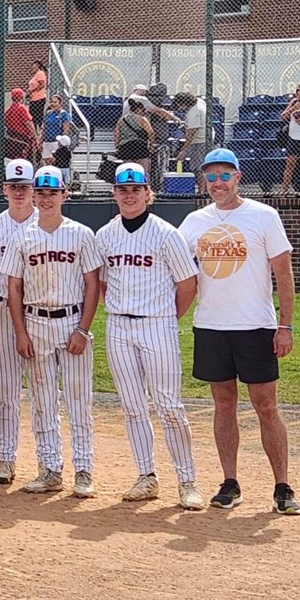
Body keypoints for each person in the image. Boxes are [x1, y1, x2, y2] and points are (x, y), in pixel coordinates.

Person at [178, 148, 300, 515]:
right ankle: (230, 482)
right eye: (211, 176)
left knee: (266, 405)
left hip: (255, 325)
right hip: (211, 325)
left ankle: (282, 486)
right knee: (223, 404)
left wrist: (285, 325)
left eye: (224, 175)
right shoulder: (194, 221)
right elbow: (172, 261)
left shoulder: (263, 216)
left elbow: (284, 274)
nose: (218, 183)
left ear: (237, 177)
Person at [96, 163, 205, 510]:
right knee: (132, 405)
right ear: (114, 194)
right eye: (123, 190)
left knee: (169, 405)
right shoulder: (105, 235)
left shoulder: (166, 234)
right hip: (118, 326)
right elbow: (101, 283)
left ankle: (187, 480)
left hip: (157, 324)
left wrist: (168, 317)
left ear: (147, 193)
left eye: (136, 189)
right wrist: (116, 308)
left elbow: (187, 284)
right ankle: (146, 476)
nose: (129, 196)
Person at [1, 165, 103, 498]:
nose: (46, 199)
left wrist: (83, 330)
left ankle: (83, 470)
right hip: (36, 322)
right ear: (34, 195)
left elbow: (92, 285)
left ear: (64, 195)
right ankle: (50, 468)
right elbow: (13, 288)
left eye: (52, 193)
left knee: (78, 400)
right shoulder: (21, 236)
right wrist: (20, 333)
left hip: (71, 320)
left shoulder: (81, 234)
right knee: (43, 401)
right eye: (41, 193)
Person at [0, 159, 37, 485]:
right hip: (6, 309)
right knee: (7, 389)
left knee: (44, 389)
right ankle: (6, 459)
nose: (19, 192)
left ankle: (49, 462)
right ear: (4, 189)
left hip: (40, 310)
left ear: (33, 189)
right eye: (13, 186)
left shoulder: (46, 222)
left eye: (24, 186)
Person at [174, 92, 209, 189]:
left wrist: (183, 151)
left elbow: (192, 133)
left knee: (199, 167)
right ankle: (204, 190)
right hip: (205, 137)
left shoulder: (194, 112)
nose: (180, 107)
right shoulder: (199, 101)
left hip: (200, 140)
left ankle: (202, 191)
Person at [115, 96, 154, 174]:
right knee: (143, 170)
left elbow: (117, 134)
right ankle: (144, 181)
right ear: (138, 109)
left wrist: (117, 146)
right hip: (139, 146)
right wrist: (150, 146)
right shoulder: (142, 119)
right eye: (143, 110)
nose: (144, 112)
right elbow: (151, 132)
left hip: (125, 147)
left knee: (127, 169)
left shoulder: (121, 120)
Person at [4, 88, 37, 162]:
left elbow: (5, 124)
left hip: (12, 139)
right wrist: (35, 136)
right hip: (23, 139)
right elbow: (28, 123)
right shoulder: (22, 108)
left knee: (13, 160)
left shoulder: (8, 110)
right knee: (25, 160)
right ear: (21, 97)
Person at [41, 95, 72, 165]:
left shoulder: (63, 114)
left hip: (56, 142)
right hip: (47, 141)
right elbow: (44, 127)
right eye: (51, 102)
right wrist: (41, 140)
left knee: (55, 161)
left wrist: (61, 143)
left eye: (55, 102)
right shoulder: (48, 113)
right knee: (46, 160)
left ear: (60, 103)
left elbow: (66, 130)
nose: (53, 104)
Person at [27, 61, 49, 132]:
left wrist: (32, 90)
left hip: (39, 99)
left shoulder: (40, 73)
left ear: (37, 66)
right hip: (33, 99)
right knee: (33, 116)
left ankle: (40, 131)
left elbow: (42, 85)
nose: (32, 68)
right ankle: (35, 131)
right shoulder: (36, 75)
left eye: (34, 66)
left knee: (38, 116)